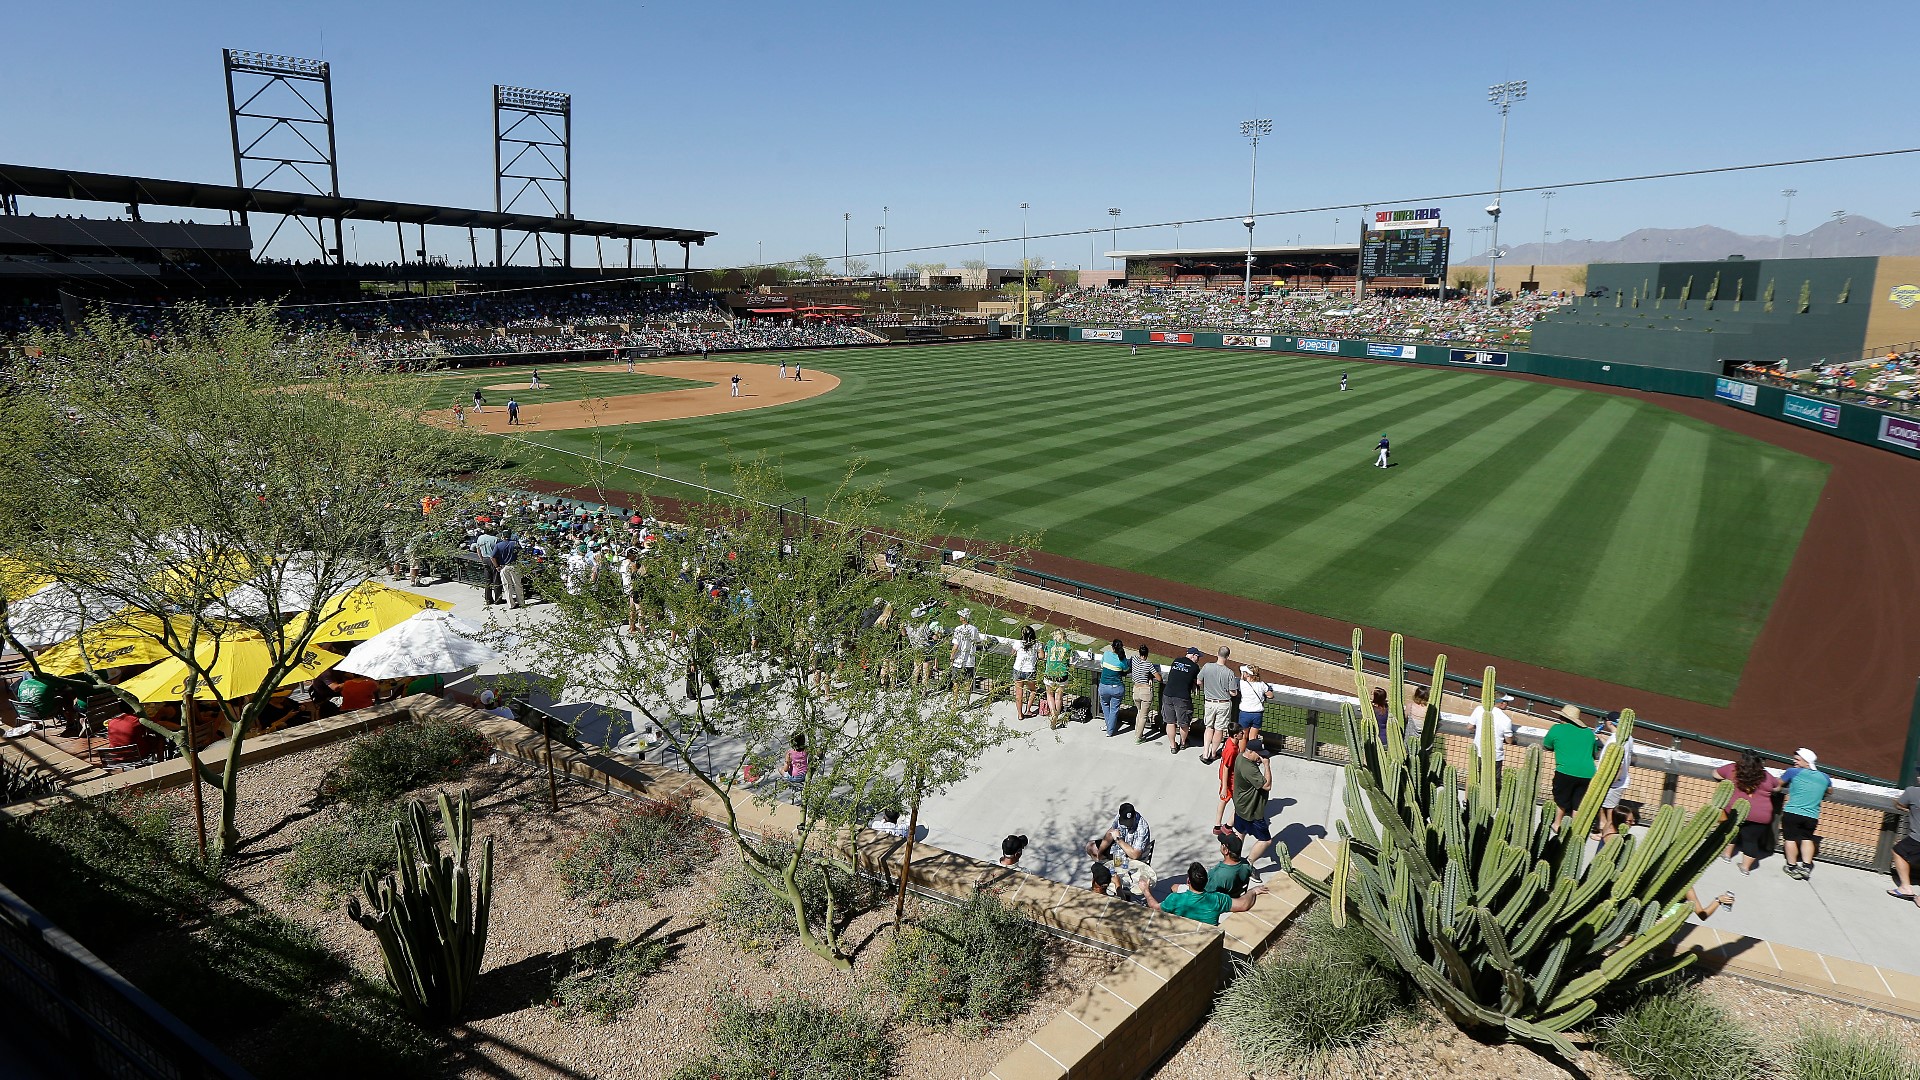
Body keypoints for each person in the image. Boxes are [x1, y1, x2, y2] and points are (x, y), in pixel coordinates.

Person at [1714, 750, 1780, 874]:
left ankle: (1727, 855)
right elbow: (1777, 787)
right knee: (1751, 840)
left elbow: (1716, 774)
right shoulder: (1765, 775)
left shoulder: (1733, 769)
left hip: (1735, 811)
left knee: (1730, 832)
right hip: (1761, 815)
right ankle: (1745, 868)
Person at [1149, 863, 1268, 925]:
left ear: (1188, 881)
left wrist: (1145, 890)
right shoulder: (1216, 899)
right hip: (1207, 939)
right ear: (1206, 881)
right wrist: (1253, 891)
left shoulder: (1174, 899)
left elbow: (1155, 907)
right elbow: (1243, 904)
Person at [1541, 704, 1597, 831]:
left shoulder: (1556, 728)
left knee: (1561, 799)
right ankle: (1575, 828)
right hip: (1588, 773)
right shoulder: (1589, 733)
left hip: (1565, 771)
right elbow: (1594, 753)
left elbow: (1547, 745)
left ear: (1562, 717)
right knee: (1578, 802)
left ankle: (1557, 823)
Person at [1779, 748, 1832, 880]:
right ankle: (1806, 867)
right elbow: (1830, 791)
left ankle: (1792, 867)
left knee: (1790, 839)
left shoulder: (1792, 772)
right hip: (1812, 816)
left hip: (1792, 813)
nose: (1794, 761)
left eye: (1797, 759)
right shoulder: (1825, 777)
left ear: (1807, 762)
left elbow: (1779, 784)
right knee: (1807, 839)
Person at [1230, 729, 1276, 871]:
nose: (1261, 758)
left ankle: (1233, 858)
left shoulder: (1241, 758)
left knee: (1239, 831)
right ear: (1250, 751)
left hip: (1241, 806)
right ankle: (1248, 863)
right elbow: (1267, 786)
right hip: (1252, 811)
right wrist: (1267, 766)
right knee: (1266, 840)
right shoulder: (1250, 769)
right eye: (1259, 755)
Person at [1597, 712, 1635, 838]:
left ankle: (1607, 835)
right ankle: (1603, 830)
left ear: (1609, 722)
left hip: (1613, 783)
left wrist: (1610, 782)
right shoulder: (1627, 737)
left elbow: (1618, 764)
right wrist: (1603, 739)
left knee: (1610, 813)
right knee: (1604, 808)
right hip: (1618, 781)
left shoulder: (1616, 741)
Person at [1198, 646, 1237, 763]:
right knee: (1219, 729)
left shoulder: (1207, 666)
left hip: (1209, 702)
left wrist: (1207, 687)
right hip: (1223, 704)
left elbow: (1199, 681)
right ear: (1227, 656)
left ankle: (1205, 753)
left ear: (1217, 654)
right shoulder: (1229, 672)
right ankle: (1213, 753)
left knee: (1209, 727)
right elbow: (1233, 693)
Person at [1161, 647, 1202, 755]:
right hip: (1182, 697)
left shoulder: (1176, 660)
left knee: (1170, 722)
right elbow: (1197, 682)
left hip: (1167, 693)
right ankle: (1183, 743)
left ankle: (1173, 746)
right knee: (1183, 722)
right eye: (1198, 657)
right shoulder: (1194, 667)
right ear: (1193, 655)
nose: (1198, 659)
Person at [1086, 803, 1151, 863]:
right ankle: (1104, 864)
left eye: (1129, 822)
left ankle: (1106, 869)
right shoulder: (1120, 816)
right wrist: (1100, 853)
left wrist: (1119, 840)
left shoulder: (1142, 828)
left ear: (1134, 817)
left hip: (1131, 856)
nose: (1126, 825)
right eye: (1124, 822)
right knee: (1090, 846)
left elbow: (1135, 855)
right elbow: (1110, 833)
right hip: (1119, 848)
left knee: (1114, 865)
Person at [1892, 771, 1920, 906]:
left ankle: (1905, 888)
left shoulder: (1912, 792)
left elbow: (1899, 804)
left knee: (1898, 851)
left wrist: (1907, 808)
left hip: (1917, 839)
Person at [1096, 638, 1130, 737]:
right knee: (1114, 709)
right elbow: (1126, 670)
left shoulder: (1106, 654)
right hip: (1117, 688)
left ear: (1112, 648)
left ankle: (1109, 727)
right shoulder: (1122, 659)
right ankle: (1109, 730)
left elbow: (1102, 665)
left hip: (1104, 687)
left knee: (1105, 705)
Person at [1469, 693, 1516, 763]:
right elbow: (1509, 740)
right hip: (1495, 757)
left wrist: (1481, 730)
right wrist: (1514, 738)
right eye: (1506, 702)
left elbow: (1470, 727)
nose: (1507, 704)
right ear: (1502, 703)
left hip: (1478, 752)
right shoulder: (1506, 720)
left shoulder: (1479, 709)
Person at [949, 608, 983, 703]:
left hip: (958, 661)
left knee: (956, 684)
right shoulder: (974, 629)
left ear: (963, 618)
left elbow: (955, 646)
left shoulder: (958, 629)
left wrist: (952, 657)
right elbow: (977, 641)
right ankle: (966, 702)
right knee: (968, 683)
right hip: (969, 661)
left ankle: (954, 705)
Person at [1207, 831, 1253, 898]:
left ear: (1226, 850)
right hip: (1236, 898)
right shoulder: (1246, 865)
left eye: (1222, 844)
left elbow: (1207, 895)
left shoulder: (1217, 874)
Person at [1042, 629, 1072, 726]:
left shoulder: (1050, 644)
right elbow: (1070, 660)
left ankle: (1052, 712)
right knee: (1058, 697)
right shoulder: (1067, 646)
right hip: (1062, 674)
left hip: (1050, 673)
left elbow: (1045, 656)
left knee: (1049, 695)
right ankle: (1057, 714)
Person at [1130, 643, 1160, 742]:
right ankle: (1139, 737)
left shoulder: (1134, 659)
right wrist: (1151, 676)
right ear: (1147, 654)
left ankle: (1137, 732)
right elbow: (1159, 678)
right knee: (1143, 715)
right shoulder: (1148, 664)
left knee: (1139, 712)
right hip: (1145, 691)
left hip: (1136, 690)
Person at [1010, 625, 1040, 719]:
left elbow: (1013, 653)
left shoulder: (1018, 642)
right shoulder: (1036, 644)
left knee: (1019, 694)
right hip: (1030, 671)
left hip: (1018, 669)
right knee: (1033, 690)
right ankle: (1028, 710)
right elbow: (1042, 656)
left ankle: (1020, 714)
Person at [1238, 665, 1275, 735]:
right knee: (1253, 737)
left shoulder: (1242, 683)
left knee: (1243, 736)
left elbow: (1242, 678)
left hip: (1245, 713)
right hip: (1257, 714)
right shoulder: (1261, 684)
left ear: (1247, 675)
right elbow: (1270, 695)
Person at [493, 531, 526, 608]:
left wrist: (497, 566)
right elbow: (521, 554)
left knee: (507, 586)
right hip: (515, 566)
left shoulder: (498, 545)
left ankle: (511, 604)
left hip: (504, 567)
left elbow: (492, 557)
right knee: (518, 585)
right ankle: (521, 603)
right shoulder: (515, 544)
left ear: (502, 537)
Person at [475, 524, 502, 605]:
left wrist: (482, 559)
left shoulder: (480, 538)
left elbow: (478, 549)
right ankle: (498, 600)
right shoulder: (496, 539)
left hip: (485, 559)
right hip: (494, 560)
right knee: (496, 581)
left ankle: (488, 600)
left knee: (488, 581)